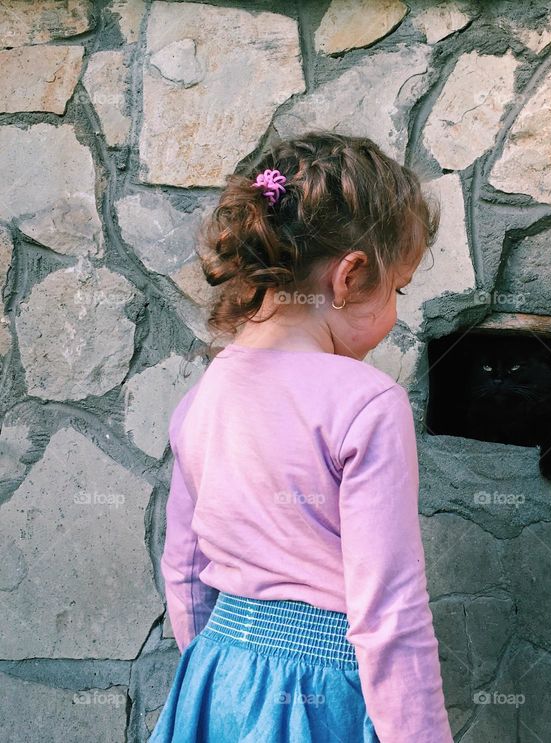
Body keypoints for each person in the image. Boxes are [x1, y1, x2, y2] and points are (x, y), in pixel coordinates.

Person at [148, 131, 454, 743]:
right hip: (321, 699)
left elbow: (183, 571)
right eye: (396, 291)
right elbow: (389, 613)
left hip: (216, 678)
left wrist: (217, 670)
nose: (394, 313)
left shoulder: (200, 399)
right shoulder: (366, 404)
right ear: (350, 276)